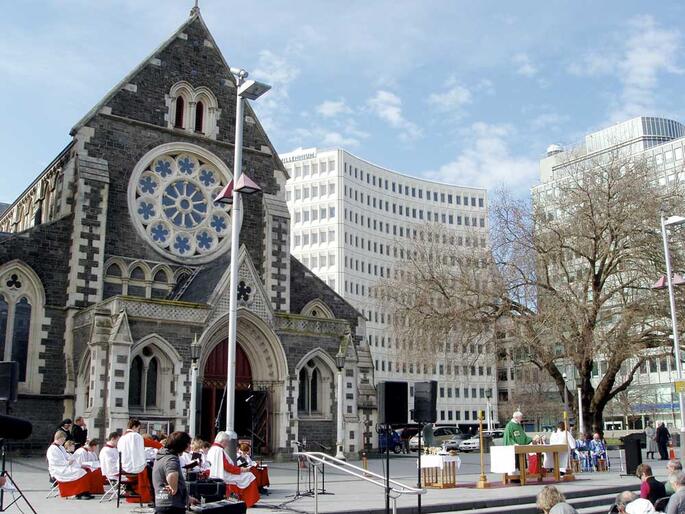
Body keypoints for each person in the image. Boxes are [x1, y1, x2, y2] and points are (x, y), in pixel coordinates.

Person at [206, 431, 259, 507]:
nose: (227, 444)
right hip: (223, 475)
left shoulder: (212, 449)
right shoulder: (219, 450)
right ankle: (249, 501)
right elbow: (227, 467)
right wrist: (241, 470)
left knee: (247, 475)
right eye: (227, 442)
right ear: (223, 441)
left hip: (216, 474)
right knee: (249, 475)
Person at [46, 430, 104, 499]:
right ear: (58, 438)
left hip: (65, 466)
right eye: (63, 440)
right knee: (80, 472)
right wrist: (68, 462)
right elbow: (55, 462)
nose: (63, 442)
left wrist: (72, 458)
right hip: (58, 469)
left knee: (83, 470)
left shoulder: (60, 447)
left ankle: (85, 492)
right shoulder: (52, 449)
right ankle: (79, 493)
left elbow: (66, 456)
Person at [152, 431, 198, 514]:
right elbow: (172, 474)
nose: (189, 447)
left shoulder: (161, 456)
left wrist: (187, 498)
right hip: (171, 506)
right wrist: (174, 488)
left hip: (162, 502)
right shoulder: (171, 458)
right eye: (188, 444)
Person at [118, 418, 153, 503]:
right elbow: (139, 452)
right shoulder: (135, 436)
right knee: (150, 469)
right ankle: (152, 495)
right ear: (134, 426)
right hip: (134, 467)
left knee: (147, 468)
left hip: (123, 467)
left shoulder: (122, 438)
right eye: (138, 428)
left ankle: (129, 488)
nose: (138, 430)